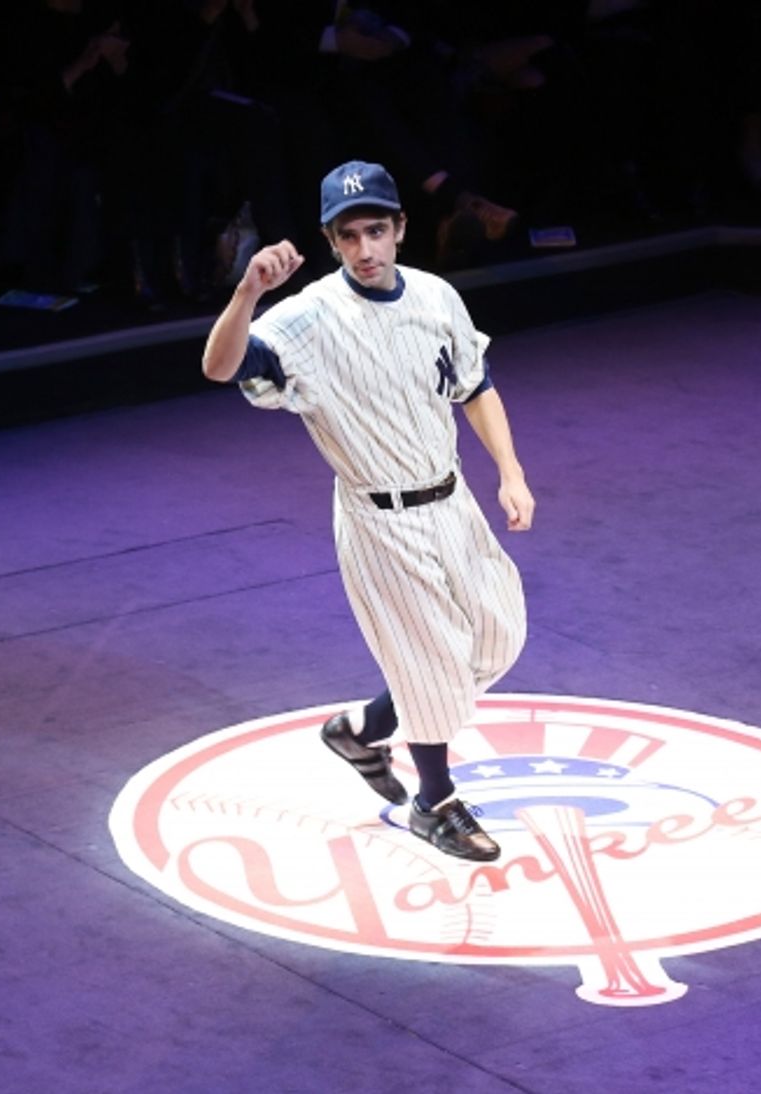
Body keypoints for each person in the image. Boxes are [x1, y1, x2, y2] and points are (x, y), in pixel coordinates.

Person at [201, 159, 534, 862]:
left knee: (497, 641)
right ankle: (434, 802)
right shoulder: (308, 317)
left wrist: (510, 470)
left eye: (376, 231)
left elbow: (476, 385)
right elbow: (220, 368)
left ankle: (360, 729)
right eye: (349, 236)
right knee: (434, 662)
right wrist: (247, 294)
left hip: (454, 501)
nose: (365, 249)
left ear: (401, 229)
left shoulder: (437, 296)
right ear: (332, 241)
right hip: (378, 516)